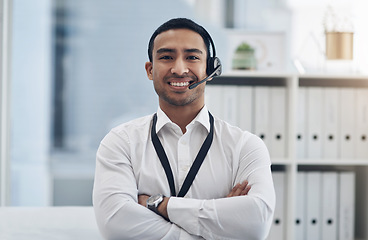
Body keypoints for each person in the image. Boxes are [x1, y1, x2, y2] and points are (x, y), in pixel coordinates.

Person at [93, 18, 275, 240]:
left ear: (209, 68)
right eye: (167, 57)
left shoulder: (245, 146)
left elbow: (256, 224)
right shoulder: (121, 143)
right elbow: (116, 225)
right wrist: (217, 224)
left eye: (192, 57)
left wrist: (160, 204)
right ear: (150, 70)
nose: (179, 69)